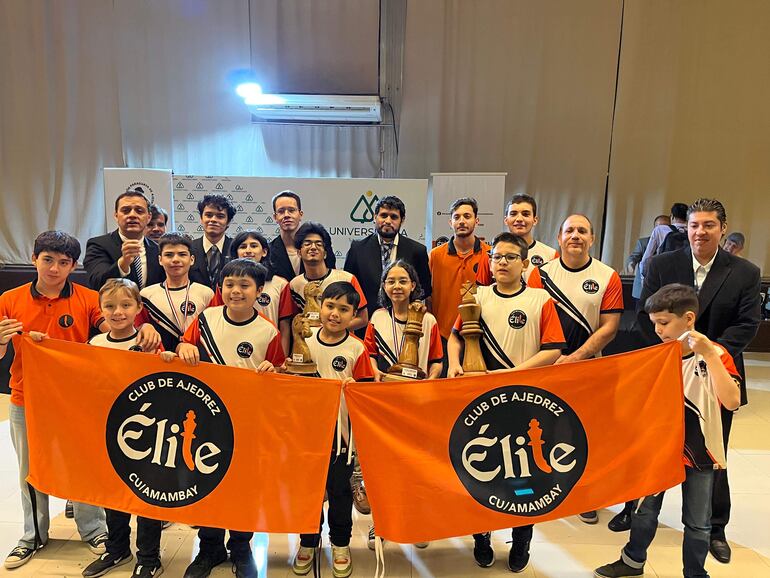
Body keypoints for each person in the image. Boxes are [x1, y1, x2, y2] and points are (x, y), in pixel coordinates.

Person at [637, 198, 761, 564]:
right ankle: (636, 514)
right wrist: (676, 354)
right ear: (686, 228)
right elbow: (645, 317)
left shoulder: (745, 272)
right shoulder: (662, 264)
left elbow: (747, 323)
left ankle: (715, 529)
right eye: (694, 225)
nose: (700, 232)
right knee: (654, 448)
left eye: (708, 225)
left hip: (717, 376)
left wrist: (709, 354)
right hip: (668, 371)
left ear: (723, 229)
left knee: (712, 455)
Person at [595, 283, 741, 578]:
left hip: (701, 450)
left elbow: (732, 401)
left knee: (698, 521)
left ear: (688, 318)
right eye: (654, 323)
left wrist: (709, 355)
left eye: (663, 322)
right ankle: (632, 561)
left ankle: (695, 573)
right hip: (658, 446)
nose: (658, 330)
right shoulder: (658, 355)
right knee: (644, 510)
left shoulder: (717, 354)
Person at [447, 233, 566, 572]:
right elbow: (455, 337)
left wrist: (512, 375)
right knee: (480, 470)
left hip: (524, 400)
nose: (501, 262)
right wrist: (454, 363)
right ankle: (481, 535)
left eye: (510, 257)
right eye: (496, 256)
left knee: (525, 476)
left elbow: (553, 349)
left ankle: (522, 537)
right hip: (481, 401)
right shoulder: (477, 296)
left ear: (525, 263)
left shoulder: (540, 300)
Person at [0, 231, 116, 569]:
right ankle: (33, 536)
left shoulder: (89, 299)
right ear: (34, 258)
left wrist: (137, 329)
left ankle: (94, 530)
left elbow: (112, 334)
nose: (54, 269)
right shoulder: (9, 299)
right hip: (26, 397)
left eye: (63, 262)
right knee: (30, 470)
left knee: (83, 466)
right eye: (48, 260)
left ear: (73, 266)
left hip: (76, 399)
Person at [176, 259, 285, 578]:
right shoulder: (205, 319)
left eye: (244, 285)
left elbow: (279, 370)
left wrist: (273, 369)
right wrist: (183, 347)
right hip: (207, 422)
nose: (236, 291)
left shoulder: (268, 330)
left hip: (247, 423)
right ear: (220, 288)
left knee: (244, 487)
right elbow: (184, 347)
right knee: (207, 482)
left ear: (259, 291)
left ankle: (241, 547)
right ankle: (209, 547)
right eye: (229, 285)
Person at [539, 214, 623, 525]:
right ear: (559, 238)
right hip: (546, 368)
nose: (575, 235)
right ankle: (547, 488)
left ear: (592, 239)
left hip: (588, 367)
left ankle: (587, 494)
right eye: (570, 230)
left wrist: (576, 356)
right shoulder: (540, 275)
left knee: (586, 432)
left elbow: (610, 326)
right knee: (546, 429)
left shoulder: (607, 276)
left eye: (582, 231)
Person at [289, 282, 375, 578]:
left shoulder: (356, 348)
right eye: (330, 306)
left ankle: (340, 543)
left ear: (354, 316)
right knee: (308, 493)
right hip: (307, 436)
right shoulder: (305, 340)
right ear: (320, 306)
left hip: (342, 439)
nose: (335, 314)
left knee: (339, 493)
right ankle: (308, 541)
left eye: (343, 309)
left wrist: (355, 388)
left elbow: (367, 392)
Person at [82, 279, 166, 578]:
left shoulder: (150, 344)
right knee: (112, 492)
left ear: (138, 308)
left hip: (146, 434)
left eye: (126, 305)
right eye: (110, 306)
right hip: (108, 430)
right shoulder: (94, 344)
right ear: (100, 309)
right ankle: (117, 548)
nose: (118, 312)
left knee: (147, 495)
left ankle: (149, 557)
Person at [279, 222, 368, 358]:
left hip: (342, 348)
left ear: (325, 253)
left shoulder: (347, 279)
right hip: (309, 351)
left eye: (318, 244)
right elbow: (288, 324)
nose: (313, 247)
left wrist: (333, 329)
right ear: (299, 252)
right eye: (307, 244)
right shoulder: (293, 285)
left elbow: (363, 318)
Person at [344, 195, 432, 319]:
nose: (388, 221)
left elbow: (424, 289)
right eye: (383, 215)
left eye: (394, 217)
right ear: (375, 217)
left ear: (402, 220)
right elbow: (348, 287)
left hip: (405, 322)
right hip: (366, 322)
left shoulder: (418, 251)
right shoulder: (357, 249)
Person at [429, 198, 491, 345]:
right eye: (456, 217)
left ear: (476, 221)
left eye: (467, 216)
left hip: (480, 334)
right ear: (450, 222)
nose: (462, 221)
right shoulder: (435, 255)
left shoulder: (489, 255)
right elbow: (427, 297)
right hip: (442, 335)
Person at [138, 233, 214, 353]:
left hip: (196, 358)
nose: (175, 260)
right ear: (160, 260)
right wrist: (144, 326)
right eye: (169, 255)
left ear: (192, 259)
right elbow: (136, 327)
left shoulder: (206, 293)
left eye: (182, 254)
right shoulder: (146, 295)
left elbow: (214, 331)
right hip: (160, 358)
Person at [83, 188, 164, 290]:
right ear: (116, 216)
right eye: (126, 211)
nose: (132, 215)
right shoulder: (98, 245)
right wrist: (123, 263)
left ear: (148, 217)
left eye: (139, 211)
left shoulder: (158, 249)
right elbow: (97, 282)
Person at [222, 230, 289, 325]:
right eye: (243, 247)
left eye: (254, 246)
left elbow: (285, 322)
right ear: (236, 253)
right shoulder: (226, 283)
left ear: (264, 252)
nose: (248, 251)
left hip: (268, 334)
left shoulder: (280, 284)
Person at [269, 190, 335, 281]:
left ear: (300, 214)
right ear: (275, 217)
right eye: (281, 211)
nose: (286, 215)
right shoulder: (268, 252)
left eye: (291, 210)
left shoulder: (320, 247)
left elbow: (332, 278)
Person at [188, 194, 236, 290]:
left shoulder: (236, 248)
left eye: (220, 216)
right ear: (201, 219)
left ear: (228, 222)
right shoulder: (189, 248)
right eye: (209, 215)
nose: (213, 220)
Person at [637, 202, 689, 286]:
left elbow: (647, 258)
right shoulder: (691, 230)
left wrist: (644, 279)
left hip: (664, 275)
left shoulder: (660, 230)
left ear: (672, 216)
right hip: (686, 277)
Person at [627, 215, 670, 301]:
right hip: (642, 289)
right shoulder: (643, 242)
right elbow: (634, 257)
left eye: (664, 228)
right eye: (658, 227)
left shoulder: (673, 243)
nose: (661, 231)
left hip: (663, 290)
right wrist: (631, 265)